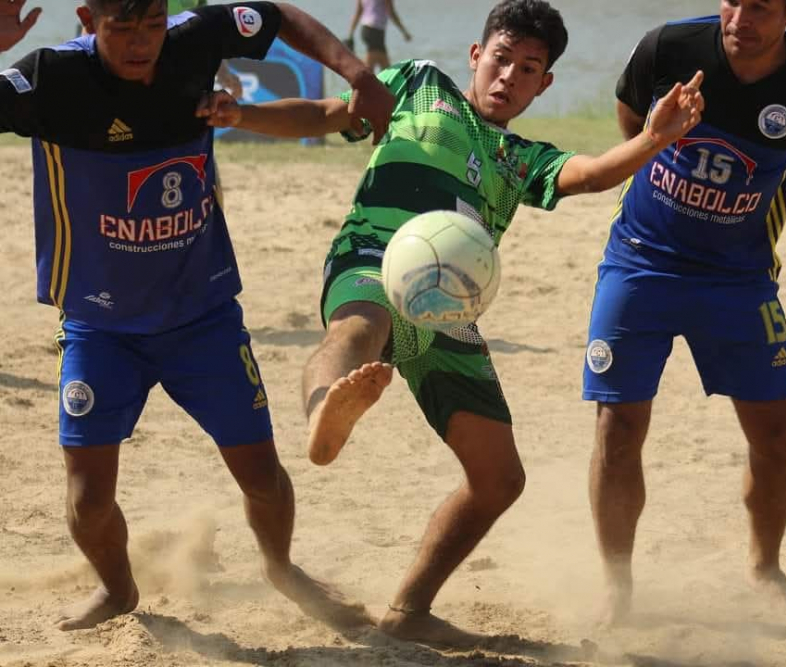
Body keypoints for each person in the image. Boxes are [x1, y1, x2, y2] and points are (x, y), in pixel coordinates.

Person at [199, 0, 704, 644]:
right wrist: (239, 114)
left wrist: (654, 138)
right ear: (476, 54)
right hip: (375, 258)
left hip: (446, 312)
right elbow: (328, 115)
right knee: (356, 330)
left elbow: (588, 174)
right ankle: (327, 409)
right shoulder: (419, 85)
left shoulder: (519, 156)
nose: (508, 77)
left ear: (544, 84)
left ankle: (409, 610)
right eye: (501, 59)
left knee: (499, 479)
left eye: (528, 69)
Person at [0, 0, 395, 632]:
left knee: (263, 477)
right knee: (89, 498)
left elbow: (277, 16)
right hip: (100, 328)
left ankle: (280, 567)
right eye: (120, 27)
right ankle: (118, 589)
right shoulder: (51, 79)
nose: (140, 42)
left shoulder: (193, 41)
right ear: (86, 18)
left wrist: (359, 75)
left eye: (151, 22)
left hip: (202, 319)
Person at [582, 0, 786, 626]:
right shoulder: (669, 48)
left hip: (739, 278)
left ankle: (766, 568)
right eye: (733, 0)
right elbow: (630, 118)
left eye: (760, 6)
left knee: (776, 438)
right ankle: (616, 585)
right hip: (640, 262)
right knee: (616, 431)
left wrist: (730, 206)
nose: (740, 17)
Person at [346, 0, 411, 73]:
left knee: (384, 66)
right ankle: (360, 79)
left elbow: (358, 12)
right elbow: (391, 12)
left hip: (366, 29)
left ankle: (365, 80)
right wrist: (404, 31)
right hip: (376, 30)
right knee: (380, 67)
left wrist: (350, 33)